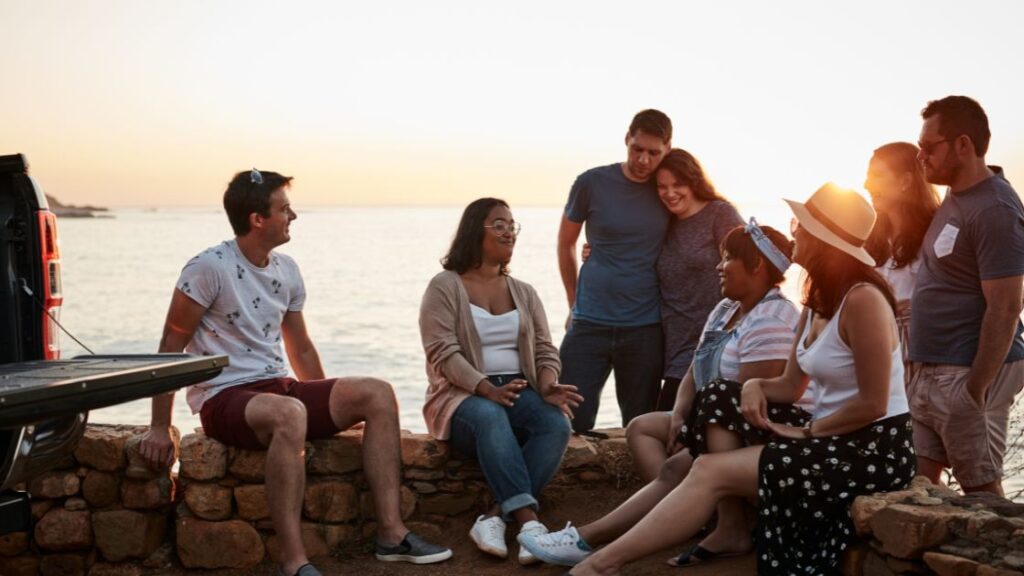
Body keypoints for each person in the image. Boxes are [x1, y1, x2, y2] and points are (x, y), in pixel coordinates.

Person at [544, 183, 914, 576]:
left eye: (800, 227)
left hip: (870, 449)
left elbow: (874, 404)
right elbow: (790, 385)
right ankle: (729, 526)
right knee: (721, 393)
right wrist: (755, 387)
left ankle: (602, 564)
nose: (794, 234)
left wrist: (807, 434)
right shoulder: (818, 301)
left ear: (824, 241)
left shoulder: (863, 300)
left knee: (708, 470)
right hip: (830, 436)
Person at [139, 169, 452, 576]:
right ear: (258, 219)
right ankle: (294, 562)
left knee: (377, 393)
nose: (294, 216)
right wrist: (160, 425)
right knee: (290, 413)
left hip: (278, 387)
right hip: (224, 397)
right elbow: (171, 343)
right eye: (285, 209)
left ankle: (391, 535)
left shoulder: (286, 269)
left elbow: (299, 346)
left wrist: (326, 402)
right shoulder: (207, 267)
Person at [520, 221, 804, 568]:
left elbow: (745, 407)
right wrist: (682, 415)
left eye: (728, 258)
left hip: (757, 429)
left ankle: (590, 538)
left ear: (757, 266)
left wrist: (695, 433)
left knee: (674, 468)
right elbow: (693, 370)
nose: (718, 266)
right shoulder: (726, 309)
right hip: (713, 418)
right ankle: (687, 514)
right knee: (643, 427)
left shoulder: (772, 318)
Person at [419, 198, 582, 564]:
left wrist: (547, 384)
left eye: (512, 225)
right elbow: (442, 353)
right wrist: (485, 388)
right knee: (490, 416)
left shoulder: (524, 291)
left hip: (518, 388)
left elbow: (544, 349)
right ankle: (530, 524)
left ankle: (494, 516)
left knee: (555, 424)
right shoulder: (444, 286)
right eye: (499, 224)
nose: (509, 231)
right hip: (461, 396)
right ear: (476, 230)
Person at [909, 95, 1024, 495]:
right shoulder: (957, 196)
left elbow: (1007, 306)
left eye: (928, 147)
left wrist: (975, 389)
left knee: (984, 497)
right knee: (920, 491)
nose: (920, 155)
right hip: (929, 372)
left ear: (963, 145)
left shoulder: (995, 208)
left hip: (962, 373)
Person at [557, 109, 673, 432]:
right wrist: (572, 302)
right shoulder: (591, 183)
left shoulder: (669, 190)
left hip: (645, 327)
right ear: (627, 139)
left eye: (654, 153)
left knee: (640, 427)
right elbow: (566, 242)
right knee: (566, 421)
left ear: (668, 150)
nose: (644, 160)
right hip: (588, 323)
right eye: (638, 149)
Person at [863, 141, 941, 385]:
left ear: (906, 181)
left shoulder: (936, 235)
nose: (866, 184)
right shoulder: (872, 239)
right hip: (882, 356)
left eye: (876, 176)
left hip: (929, 362)